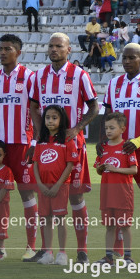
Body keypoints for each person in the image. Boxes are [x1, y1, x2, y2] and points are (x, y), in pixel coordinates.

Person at [29, 33, 98, 264]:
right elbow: (33, 106)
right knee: (47, 200)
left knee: (76, 197)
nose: (53, 49)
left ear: (69, 50)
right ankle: (47, 250)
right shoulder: (39, 76)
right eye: (51, 45)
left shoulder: (79, 75)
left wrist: (77, 128)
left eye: (59, 46)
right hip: (48, 147)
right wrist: (40, 132)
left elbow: (94, 106)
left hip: (72, 146)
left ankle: (82, 250)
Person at [98, 44, 140, 265]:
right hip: (117, 153)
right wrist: (102, 140)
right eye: (124, 58)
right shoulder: (113, 84)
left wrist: (139, 139)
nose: (127, 61)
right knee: (117, 205)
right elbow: (107, 116)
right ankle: (117, 253)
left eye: (131, 58)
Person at [0, 34, 40, 259]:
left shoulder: (30, 78)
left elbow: (37, 112)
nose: (3, 52)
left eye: (8, 49)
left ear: (18, 52)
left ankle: (31, 246)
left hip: (23, 146)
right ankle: (0, 248)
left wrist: (35, 142)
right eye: (1, 48)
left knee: (27, 195)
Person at [32, 105, 78, 266]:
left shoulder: (67, 140)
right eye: (47, 117)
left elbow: (70, 165)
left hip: (60, 187)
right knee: (45, 219)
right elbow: (36, 164)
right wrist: (39, 184)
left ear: (61, 120)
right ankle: (48, 252)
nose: (50, 121)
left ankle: (62, 253)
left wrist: (58, 185)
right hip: (43, 187)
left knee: (60, 219)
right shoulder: (41, 140)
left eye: (54, 118)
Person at [94, 112, 139, 265]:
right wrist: (100, 168)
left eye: (112, 128)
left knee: (125, 226)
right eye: (106, 128)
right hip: (107, 194)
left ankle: (128, 257)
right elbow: (98, 170)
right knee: (109, 226)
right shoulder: (103, 148)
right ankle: (108, 257)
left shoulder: (127, 147)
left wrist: (115, 169)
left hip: (123, 194)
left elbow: (134, 170)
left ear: (122, 129)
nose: (108, 131)